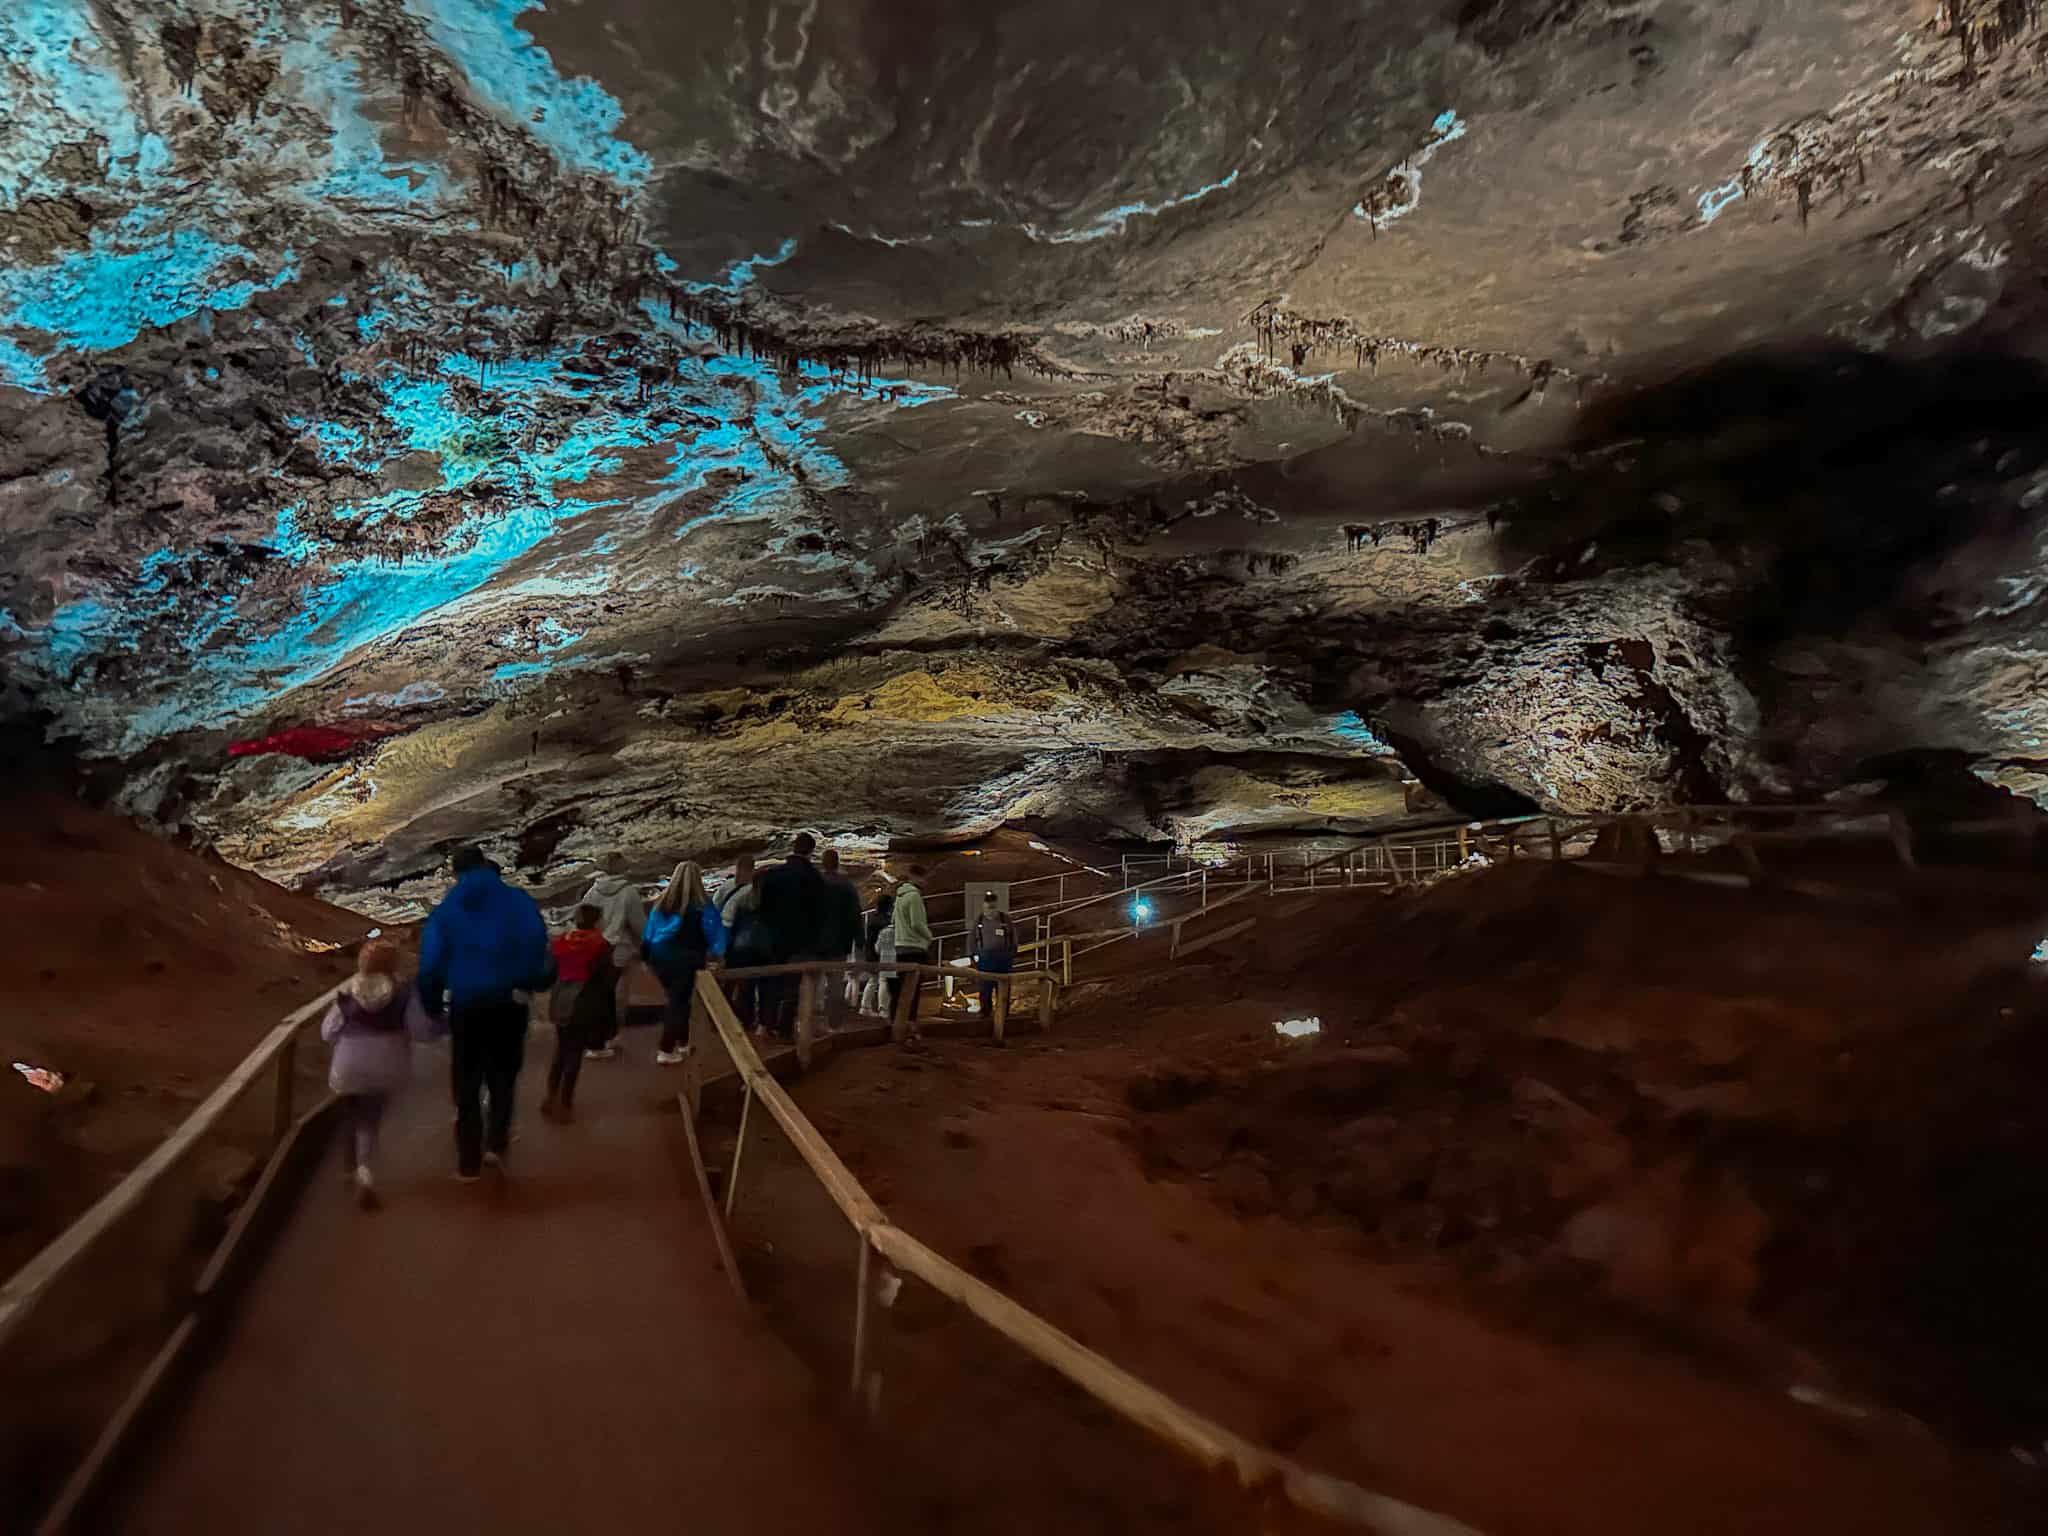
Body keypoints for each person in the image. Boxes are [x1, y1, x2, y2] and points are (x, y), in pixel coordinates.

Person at [418, 846, 553, 1181]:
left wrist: (432, 1004)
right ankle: (496, 1143)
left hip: (466, 1004)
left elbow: (432, 962)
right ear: (486, 865)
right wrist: (533, 982)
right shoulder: (518, 901)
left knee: (466, 1081)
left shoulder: (447, 910)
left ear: (456, 873)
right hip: (510, 1002)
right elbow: (537, 945)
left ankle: (468, 1162)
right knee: (503, 1077)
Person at [320, 938, 432, 1209]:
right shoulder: (404, 993)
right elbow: (420, 1030)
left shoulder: (348, 991)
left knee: (352, 1112)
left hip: (349, 1065)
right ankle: (364, 1171)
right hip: (386, 1065)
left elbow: (328, 1031)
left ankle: (350, 1168)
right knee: (370, 1119)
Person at [645, 862, 725, 1064]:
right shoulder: (703, 906)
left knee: (676, 999)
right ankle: (666, 1048)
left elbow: (650, 932)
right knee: (679, 1002)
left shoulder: (662, 903)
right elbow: (715, 933)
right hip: (688, 959)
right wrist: (717, 954)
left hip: (660, 958)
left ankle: (683, 1042)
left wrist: (648, 957)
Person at [543, 904, 615, 1122]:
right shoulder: (601, 945)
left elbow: (548, 973)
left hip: (560, 999)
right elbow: (607, 980)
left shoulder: (560, 944)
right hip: (585, 1002)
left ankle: (550, 1096)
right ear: (596, 921)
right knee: (575, 1052)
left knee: (561, 1049)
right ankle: (566, 1101)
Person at [757, 833, 827, 1039]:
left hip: (774, 937)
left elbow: (763, 907)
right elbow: (819, 913)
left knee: (772, 981)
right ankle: (785, 1028)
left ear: (793, 848)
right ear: (811, 851)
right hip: (802, 940)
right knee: (792, 986)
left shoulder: (774, 874)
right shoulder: (814, 878)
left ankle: (765, 1023)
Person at [581, 855, 646, 1059]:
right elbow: (638, 924)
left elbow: (582, 920)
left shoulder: (592, 891)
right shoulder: (629, 892)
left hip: (596, 948)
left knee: (599, 993)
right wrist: (645, 942)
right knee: (617, 995)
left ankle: (596, 1037)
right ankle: (610, 1035)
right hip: (620, 949)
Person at [720, 854, 770, 1029]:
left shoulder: (739, 896)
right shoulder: (768, 902)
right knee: (760, 986)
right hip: (763, 949)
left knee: (741, 985)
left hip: (739, 948)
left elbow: (726, 918)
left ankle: (737, 1018)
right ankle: (758, 1021)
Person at [817, 848, 863, 1029]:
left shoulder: (815, 884)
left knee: (814, 983)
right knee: (836, 985)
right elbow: (855, 915)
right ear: (837, 863)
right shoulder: (847, 886)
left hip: (816, 944)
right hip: (839, 944)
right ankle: (834, 1023)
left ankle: (812, 1023)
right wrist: (859, 941)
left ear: (823, 863)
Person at [889, 864, 933, 1024]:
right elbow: (917, 923)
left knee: (899, 990)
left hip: (900, 947)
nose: (926, 882)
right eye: (925, 878)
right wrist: (929, 937)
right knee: (913, 991)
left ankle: (895, 1022)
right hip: (914, 947)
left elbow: (893, 920)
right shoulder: (914, 896)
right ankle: (909, 1025)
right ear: (919, 877)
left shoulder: (900, 896)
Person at [971, 890, 1017, 1021]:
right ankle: (985, 1013)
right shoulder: (979, 920)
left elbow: (1013, 937)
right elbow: (972, 938)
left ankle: (1003, 1013)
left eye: (991, 906)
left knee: (1003, 988)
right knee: (985, 988)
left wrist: (1012, 954)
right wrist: (972, 955)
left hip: (1003, 959)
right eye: (987, 907)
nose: (989, 910)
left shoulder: (1005, 919)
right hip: (985, 959)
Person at [862, 895, 896, 1017]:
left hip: (870, 952)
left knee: (873, 981)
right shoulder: (885, 921)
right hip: (882, 955)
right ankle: (883, 1009)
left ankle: (865, 1006)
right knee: (883, 981)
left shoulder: (872, 918)